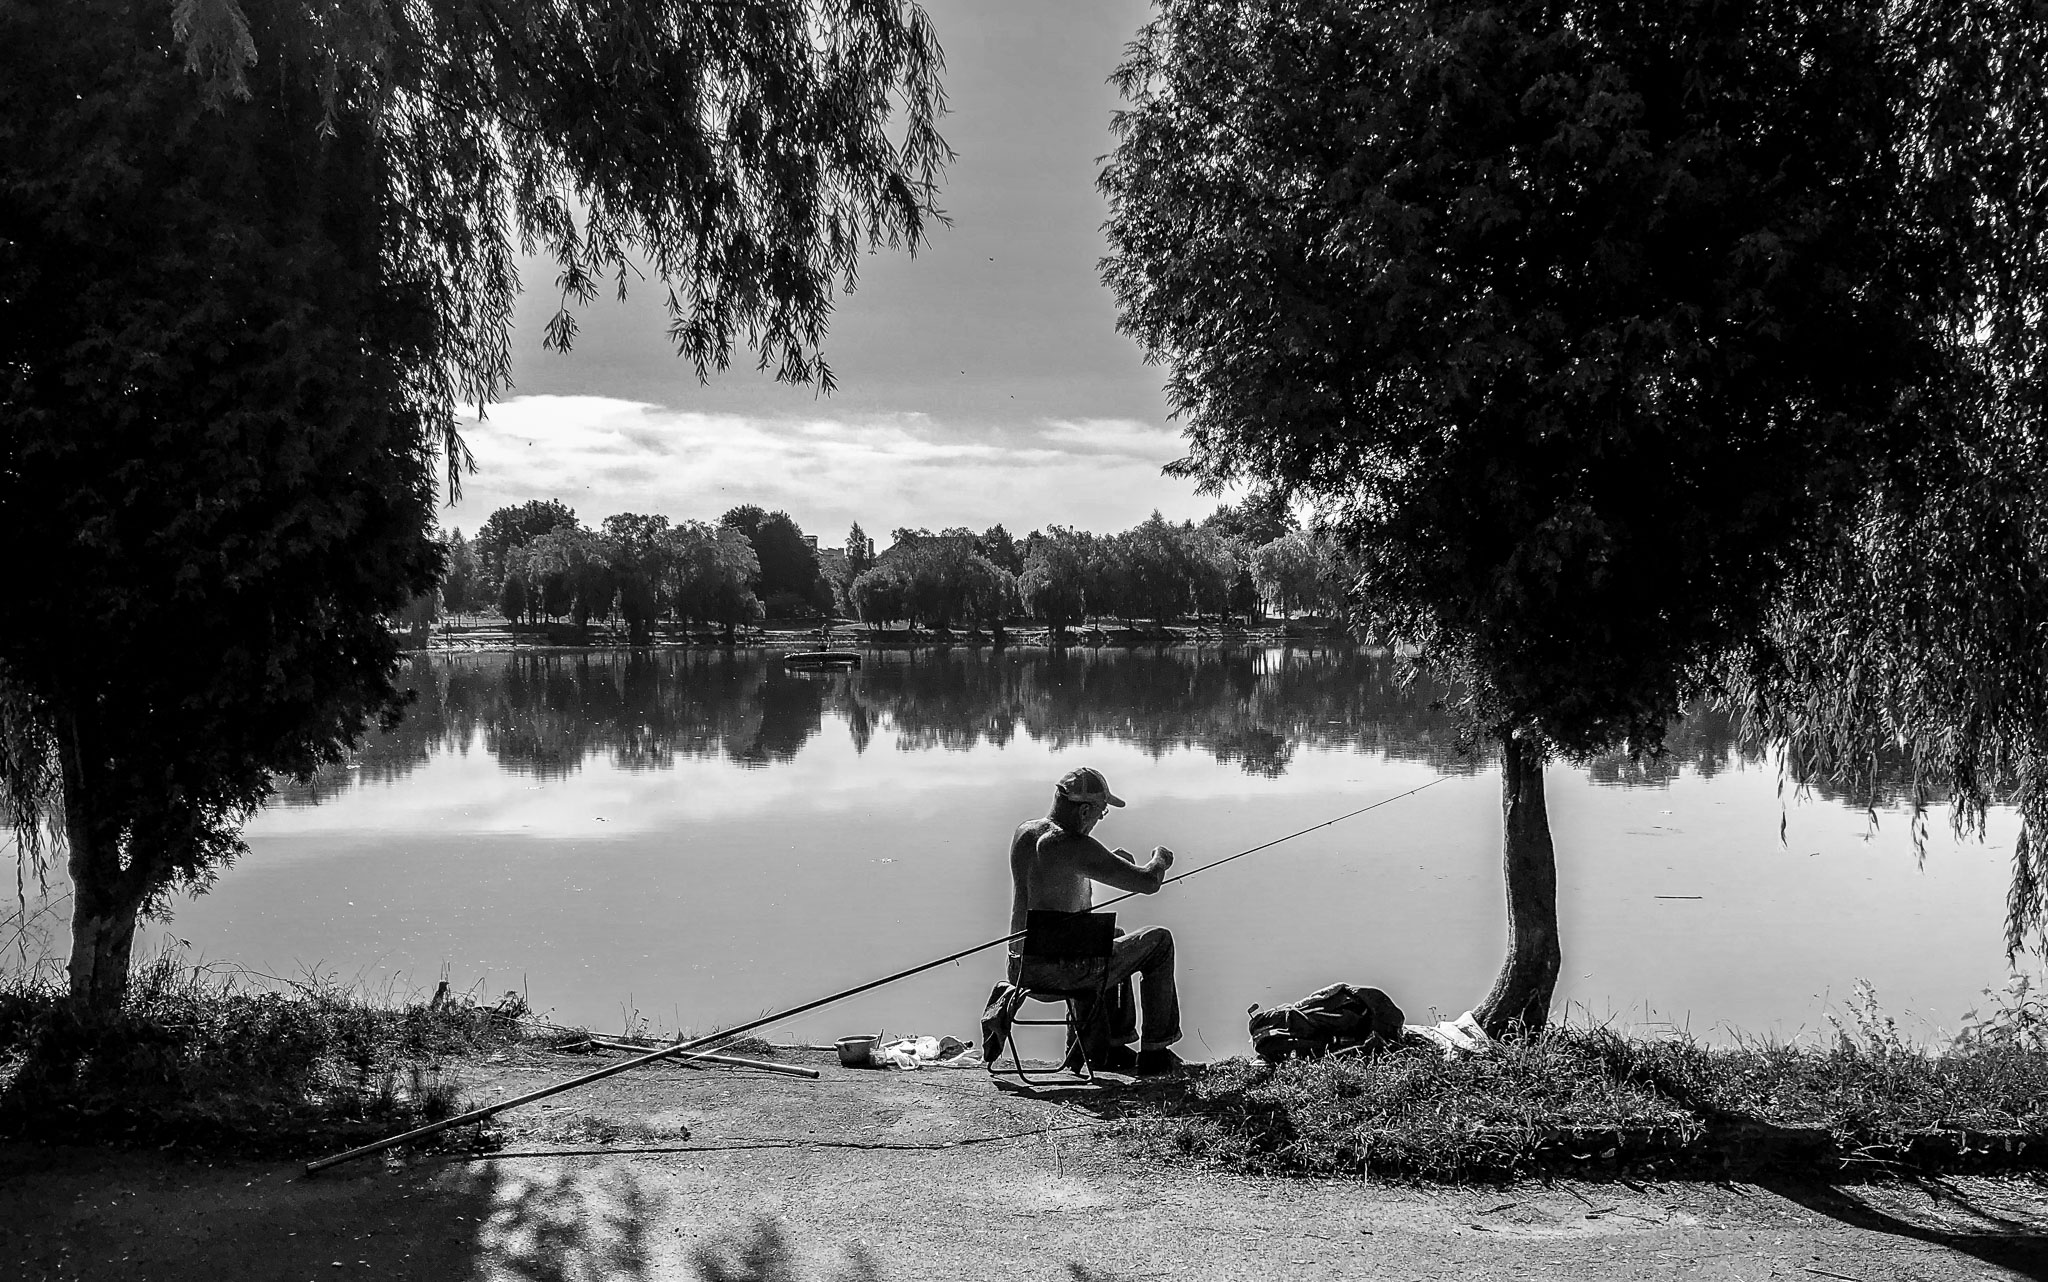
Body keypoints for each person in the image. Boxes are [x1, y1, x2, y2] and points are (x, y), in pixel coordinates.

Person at [1006, 766, 1184, 1075]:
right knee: (1159, 942)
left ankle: (1110, 1046)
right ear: (1084, 810)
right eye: (1100, 813)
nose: (1098, 820)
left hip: (1021, 967)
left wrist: (1107, 861)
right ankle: (1156, 1053)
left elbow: (1057, 881)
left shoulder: (1026, 833)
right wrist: (1160, 858)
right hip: (1060, 973)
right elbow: (1148, 882)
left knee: (1113, 935)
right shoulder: (1074, 845)